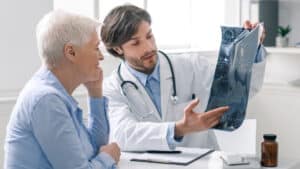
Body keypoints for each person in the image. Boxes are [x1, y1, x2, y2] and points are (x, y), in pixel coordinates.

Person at [101, 4, 266, 151]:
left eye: (149, 36)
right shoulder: (112, 88)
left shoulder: (190, 66)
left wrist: (252, 47)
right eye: (135, 43)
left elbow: (240, 91)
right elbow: (122, 135)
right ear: (117, 49)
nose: (149, 47)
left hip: (201, 163)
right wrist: (179, 129)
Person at [4, 10, 120, 169]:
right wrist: (108, 157)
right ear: (71, 52)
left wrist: (95, 93)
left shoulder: (57, 95)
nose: (101, 57)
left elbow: (96, 148)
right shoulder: (46, 100)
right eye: (96, 48)